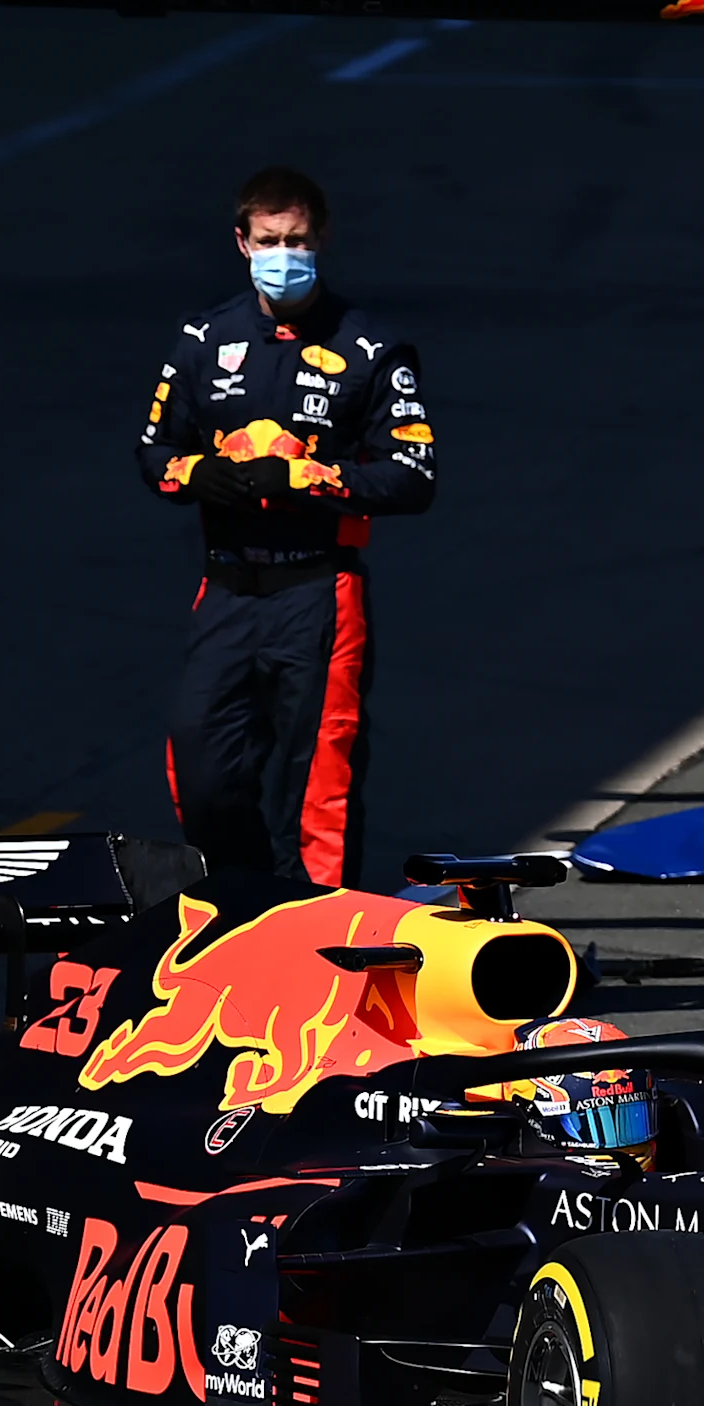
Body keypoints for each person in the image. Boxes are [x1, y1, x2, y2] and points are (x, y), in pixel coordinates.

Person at [135, 167, 436, 886]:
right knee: (199, 763)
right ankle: (244, 902)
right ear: (241, 242)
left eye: (296, 239)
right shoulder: (203, 338)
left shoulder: (371, 350)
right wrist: (194, 473)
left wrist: (309, 476)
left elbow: (414, 476)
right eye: (269, 239)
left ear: (320, 239)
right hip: (228, 586)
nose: (283, 253)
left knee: (314, 791)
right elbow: (154, 450)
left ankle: (318, 938)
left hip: (318, 591)